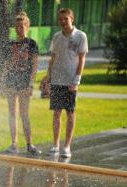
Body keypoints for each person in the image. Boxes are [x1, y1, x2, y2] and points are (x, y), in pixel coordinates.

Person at [43, 8, 88, 158]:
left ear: (72, 19)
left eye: (66, 19)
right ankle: (55, 145)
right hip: (57, 79)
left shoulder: (81, 36)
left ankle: (66, 147)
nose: (63, 22)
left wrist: (77, 80)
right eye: (60, 19)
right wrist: (48, 77)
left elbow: (82, 59)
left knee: (70, 112)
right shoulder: (56, 37)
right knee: (56, 113)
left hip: (70, 81)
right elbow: (53, 58)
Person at [0, 12, 41, 155]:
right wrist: (2, 83)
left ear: (27, 26)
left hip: (24, 83)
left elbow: (35, 66)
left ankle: (30, 144)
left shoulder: (32, 44)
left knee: (24, 114)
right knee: (12, 113)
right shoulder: (11, 44)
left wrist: (31, 84)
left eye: (22, 26)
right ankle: (14, 143)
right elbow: (6, 66)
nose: (19, 29)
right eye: (17, 26)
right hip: (11, 81)